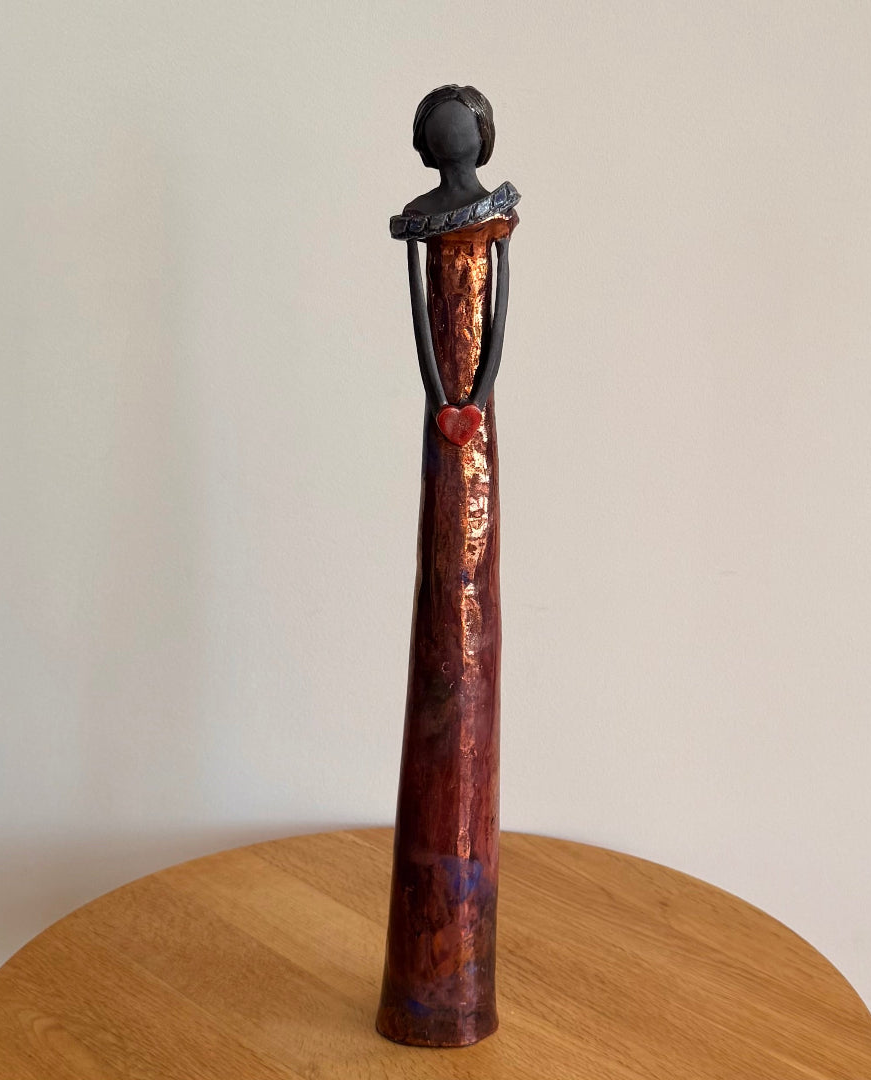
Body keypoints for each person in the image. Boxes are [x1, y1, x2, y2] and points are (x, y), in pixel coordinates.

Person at [377, 84, 519, 1049]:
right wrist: (444, 401)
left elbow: (498, 317)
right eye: (441, 127)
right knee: (447, 635)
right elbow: (422, 330)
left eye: (462, 124)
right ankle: (429, 995)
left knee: (464, 627)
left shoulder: (494, 216)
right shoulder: (424, 223)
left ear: (477, 136)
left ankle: (454, 995)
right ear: (430, 144)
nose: (453, 136)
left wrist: (475, 396)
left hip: (469, 420)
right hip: (450, 419)